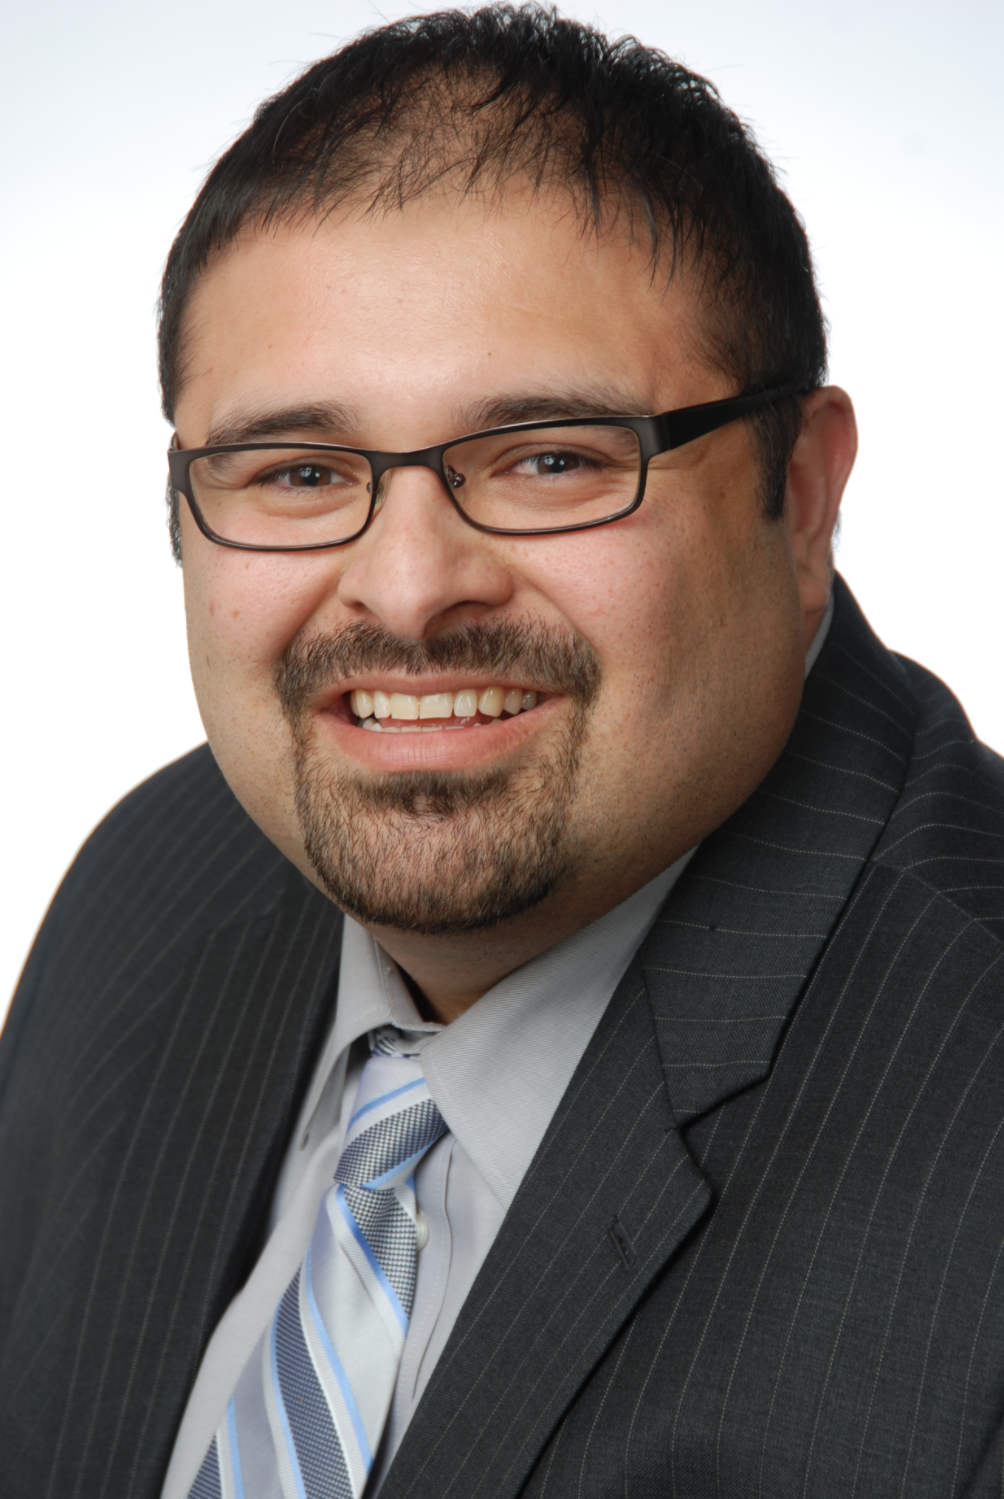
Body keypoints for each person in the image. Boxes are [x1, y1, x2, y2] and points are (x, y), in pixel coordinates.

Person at [2, 6, 1004, 1496]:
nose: (409, 590)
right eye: (297, 470)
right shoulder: (160, 879)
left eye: (550, 458)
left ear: (798, 489)